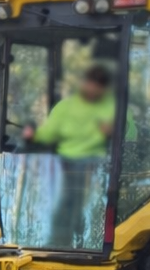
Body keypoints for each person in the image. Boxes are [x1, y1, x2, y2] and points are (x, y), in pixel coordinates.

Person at [20, 64, 118, 248]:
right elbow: (49, 133)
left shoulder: (110, 108)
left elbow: (126, 135)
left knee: (83, 204)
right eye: (91, 83)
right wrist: (33, 135)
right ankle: (60, 242)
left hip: (97, 165)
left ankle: (85, 242)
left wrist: (113, 131)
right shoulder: (65, 107)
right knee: (67, 203)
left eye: (98, 85)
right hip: (67, 164)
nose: (93, 89)